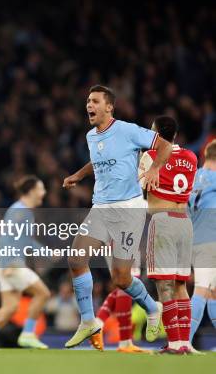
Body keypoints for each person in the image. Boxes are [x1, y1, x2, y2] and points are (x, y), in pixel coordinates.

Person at [62, 85, 172, 348]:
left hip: (128, 209)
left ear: (109, 106)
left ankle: (152, 307)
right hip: (101, 206)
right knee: (76, 258)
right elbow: (98, 160)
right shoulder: (91, 136)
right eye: (88, 101)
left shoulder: (128, 130)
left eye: (95, 101)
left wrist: (156, 168)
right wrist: (79, 174)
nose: (89, 105)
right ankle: (88, 321)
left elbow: (164, 145)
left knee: (121, 278)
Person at [138, 116, 198, 354]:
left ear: (156, 133)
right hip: (184, 223)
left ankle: (174, 344)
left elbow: (139, 186)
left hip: (162, 223)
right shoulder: (191, 157)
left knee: (165, 286)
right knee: (181, 285)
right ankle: (185, 343)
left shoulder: (150, 157)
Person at [0, 175, 51, 350]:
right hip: (12, 264)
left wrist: (45, 252)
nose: (43, 193)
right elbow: (8, 237)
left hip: (4, 264)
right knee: (43, 294)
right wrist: (10, 262)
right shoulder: (22, 212)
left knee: (10, 308)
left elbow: (24, 240)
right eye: (41, 189)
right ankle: (28, 334)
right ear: (31, 191)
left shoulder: (18, 210)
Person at [189, 140, 216, 346]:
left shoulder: (193, 177)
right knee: (202, 290)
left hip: (196, 239)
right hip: (211, 239)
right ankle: (183, 343)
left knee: (213, 292)